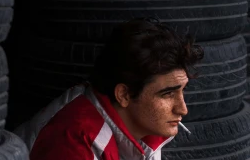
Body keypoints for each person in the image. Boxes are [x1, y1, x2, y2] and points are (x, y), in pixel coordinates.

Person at [14, 17, 204, 160]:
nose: (182, 109)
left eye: (182, 90)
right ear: (124, 94)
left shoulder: (146, 125)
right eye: (168, 94)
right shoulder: (74, 141)